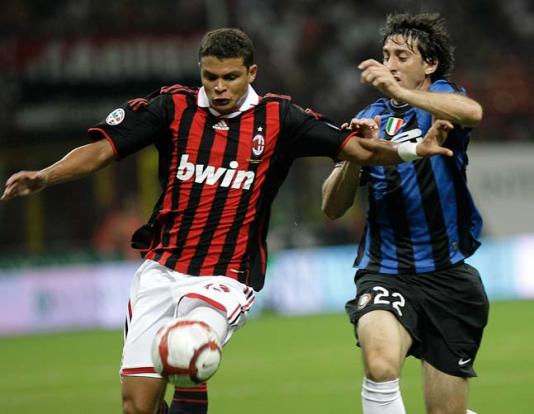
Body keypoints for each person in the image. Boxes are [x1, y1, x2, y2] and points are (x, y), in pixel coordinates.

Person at [1, 28, 452, 414]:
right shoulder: (171, 108)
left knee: (188, 345)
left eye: (230, 77)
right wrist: (44, 176)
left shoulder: (280, 118)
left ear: (251, 73)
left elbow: (359, 148)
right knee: (137, 404)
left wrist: (415, 149)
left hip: (227, 275)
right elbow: (103, 149)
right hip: (161, 269)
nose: (219, 87)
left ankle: (191, 376)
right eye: (210, 77)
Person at [321, 13, 488, 414]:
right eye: (386, 55)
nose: (390, 64)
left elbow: (472, 112)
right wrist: (356, 156)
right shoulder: (371, 116)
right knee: (380, 366)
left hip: (448, 278)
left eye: (402, 56)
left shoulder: (442, 98)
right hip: (385, 271)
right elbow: (332, 206)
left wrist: (400, 91)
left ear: (429, 65)